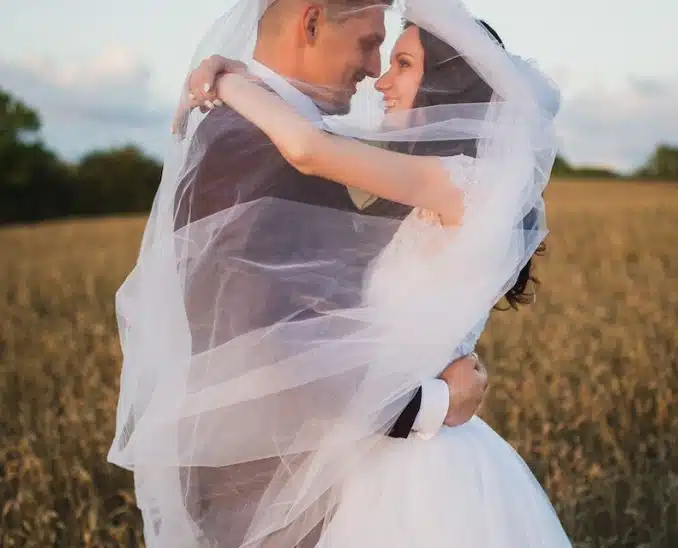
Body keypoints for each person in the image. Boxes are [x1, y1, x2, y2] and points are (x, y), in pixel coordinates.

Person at [108, 0, 564, 546]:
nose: (379, 78)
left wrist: (225, 79)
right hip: (391, 437)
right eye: (378, 51)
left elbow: (307, 149)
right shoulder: (418, 183)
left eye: (401, 62)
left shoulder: (458, 183)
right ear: (311, 22)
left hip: (412, 455)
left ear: (447, 85)